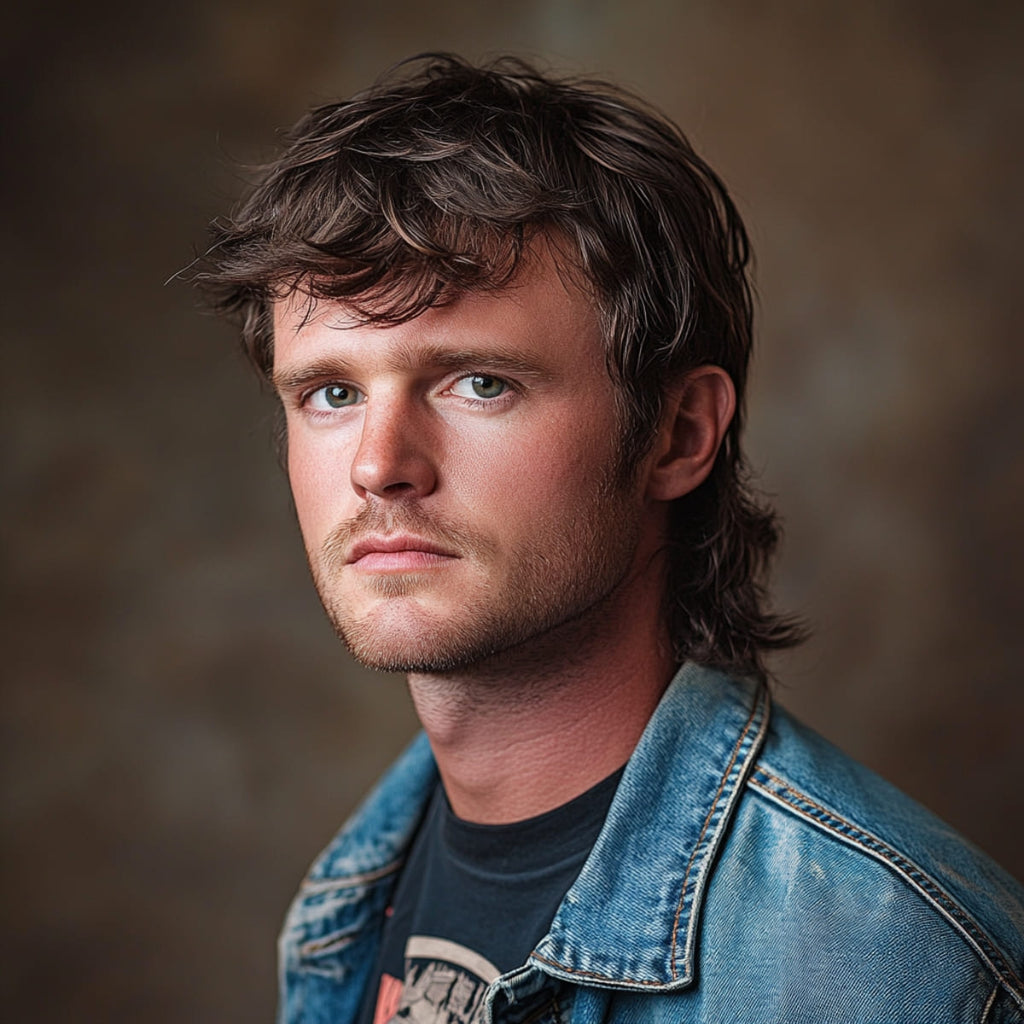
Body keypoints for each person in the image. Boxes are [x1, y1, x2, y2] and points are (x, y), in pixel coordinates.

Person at [199, 54, 1024, 1024]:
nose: (380, 464)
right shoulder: (341, 906)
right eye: (332, 392)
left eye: (479, 382)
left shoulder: (886, 963)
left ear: (675, 435)